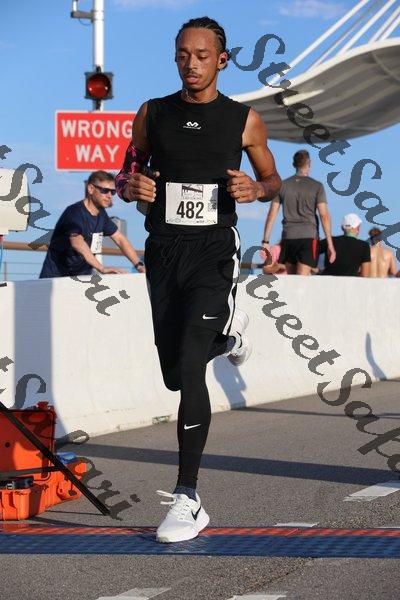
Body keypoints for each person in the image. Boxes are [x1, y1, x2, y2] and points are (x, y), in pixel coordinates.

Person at [115, 17, 281, 543]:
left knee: (190, 366)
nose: (192, 63)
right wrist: (130, 186)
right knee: (174, 372)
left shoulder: (244, 120)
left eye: (203, 55)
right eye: (183, 54)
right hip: (164, 250)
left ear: (222, 60)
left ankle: (188, 497)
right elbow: (126, 170)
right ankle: (229, 337)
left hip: (213, 251)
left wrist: (256, 189)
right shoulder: (153, 113)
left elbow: (273, 179)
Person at [39, 171, 145, 278]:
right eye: (105, 190)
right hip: (55, 278)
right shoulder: (74, 213)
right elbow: (77, 241)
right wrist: (102, 268)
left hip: (81, 278)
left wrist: (139, 265)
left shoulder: (102, 215)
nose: (109, 196)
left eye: (112, 192)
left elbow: (120, 239)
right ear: (90, 189)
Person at [261, 149, 336, 275]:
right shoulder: (317, 186)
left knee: (292, 280)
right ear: (309, 163)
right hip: (308, 237)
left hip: (288, 237)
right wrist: (330, 244)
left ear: (294, 164)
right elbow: (324, 216)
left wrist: (265, 241)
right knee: (302, 281)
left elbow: (271, 215)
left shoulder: (282, 185)